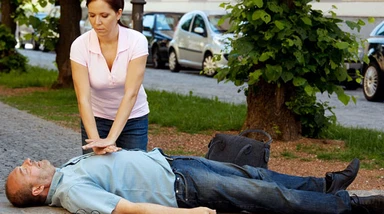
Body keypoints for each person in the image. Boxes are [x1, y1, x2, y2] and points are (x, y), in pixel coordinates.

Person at [5, 148, 384, 214]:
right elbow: (128, 209)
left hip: (173, 164)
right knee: (265, 195)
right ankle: (347, 206)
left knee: (256, 173)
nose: (27, 161)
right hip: (182, 188)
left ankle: (326, 184)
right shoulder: (71, 192)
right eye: (25, 170)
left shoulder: (65, 171)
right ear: (39, 190)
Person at [70, 0, 149, 155]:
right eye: (92, 15)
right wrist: (96, 141)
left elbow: (131, 93)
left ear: (118, 13)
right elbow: (83, 99)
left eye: (104, 15)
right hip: (97, 118)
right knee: (95, 172)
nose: (97, 22)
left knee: (132, 172)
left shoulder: (137, 41)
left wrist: (111, 138)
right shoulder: (80, 45)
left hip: (134, 119)